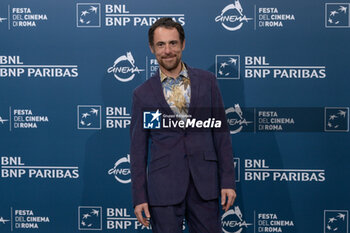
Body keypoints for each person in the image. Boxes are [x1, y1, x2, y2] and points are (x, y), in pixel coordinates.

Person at [130, 17, 236, 233]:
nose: (167, 50)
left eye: (173, 43)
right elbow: (138, 150)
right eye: (161, 44)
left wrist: (227, 181)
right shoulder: (142, 95)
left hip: (204, 186)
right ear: (152, 48)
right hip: (163, 189)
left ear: (183, 44)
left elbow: (221, 135)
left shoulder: (207, 82)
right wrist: (139, 196)